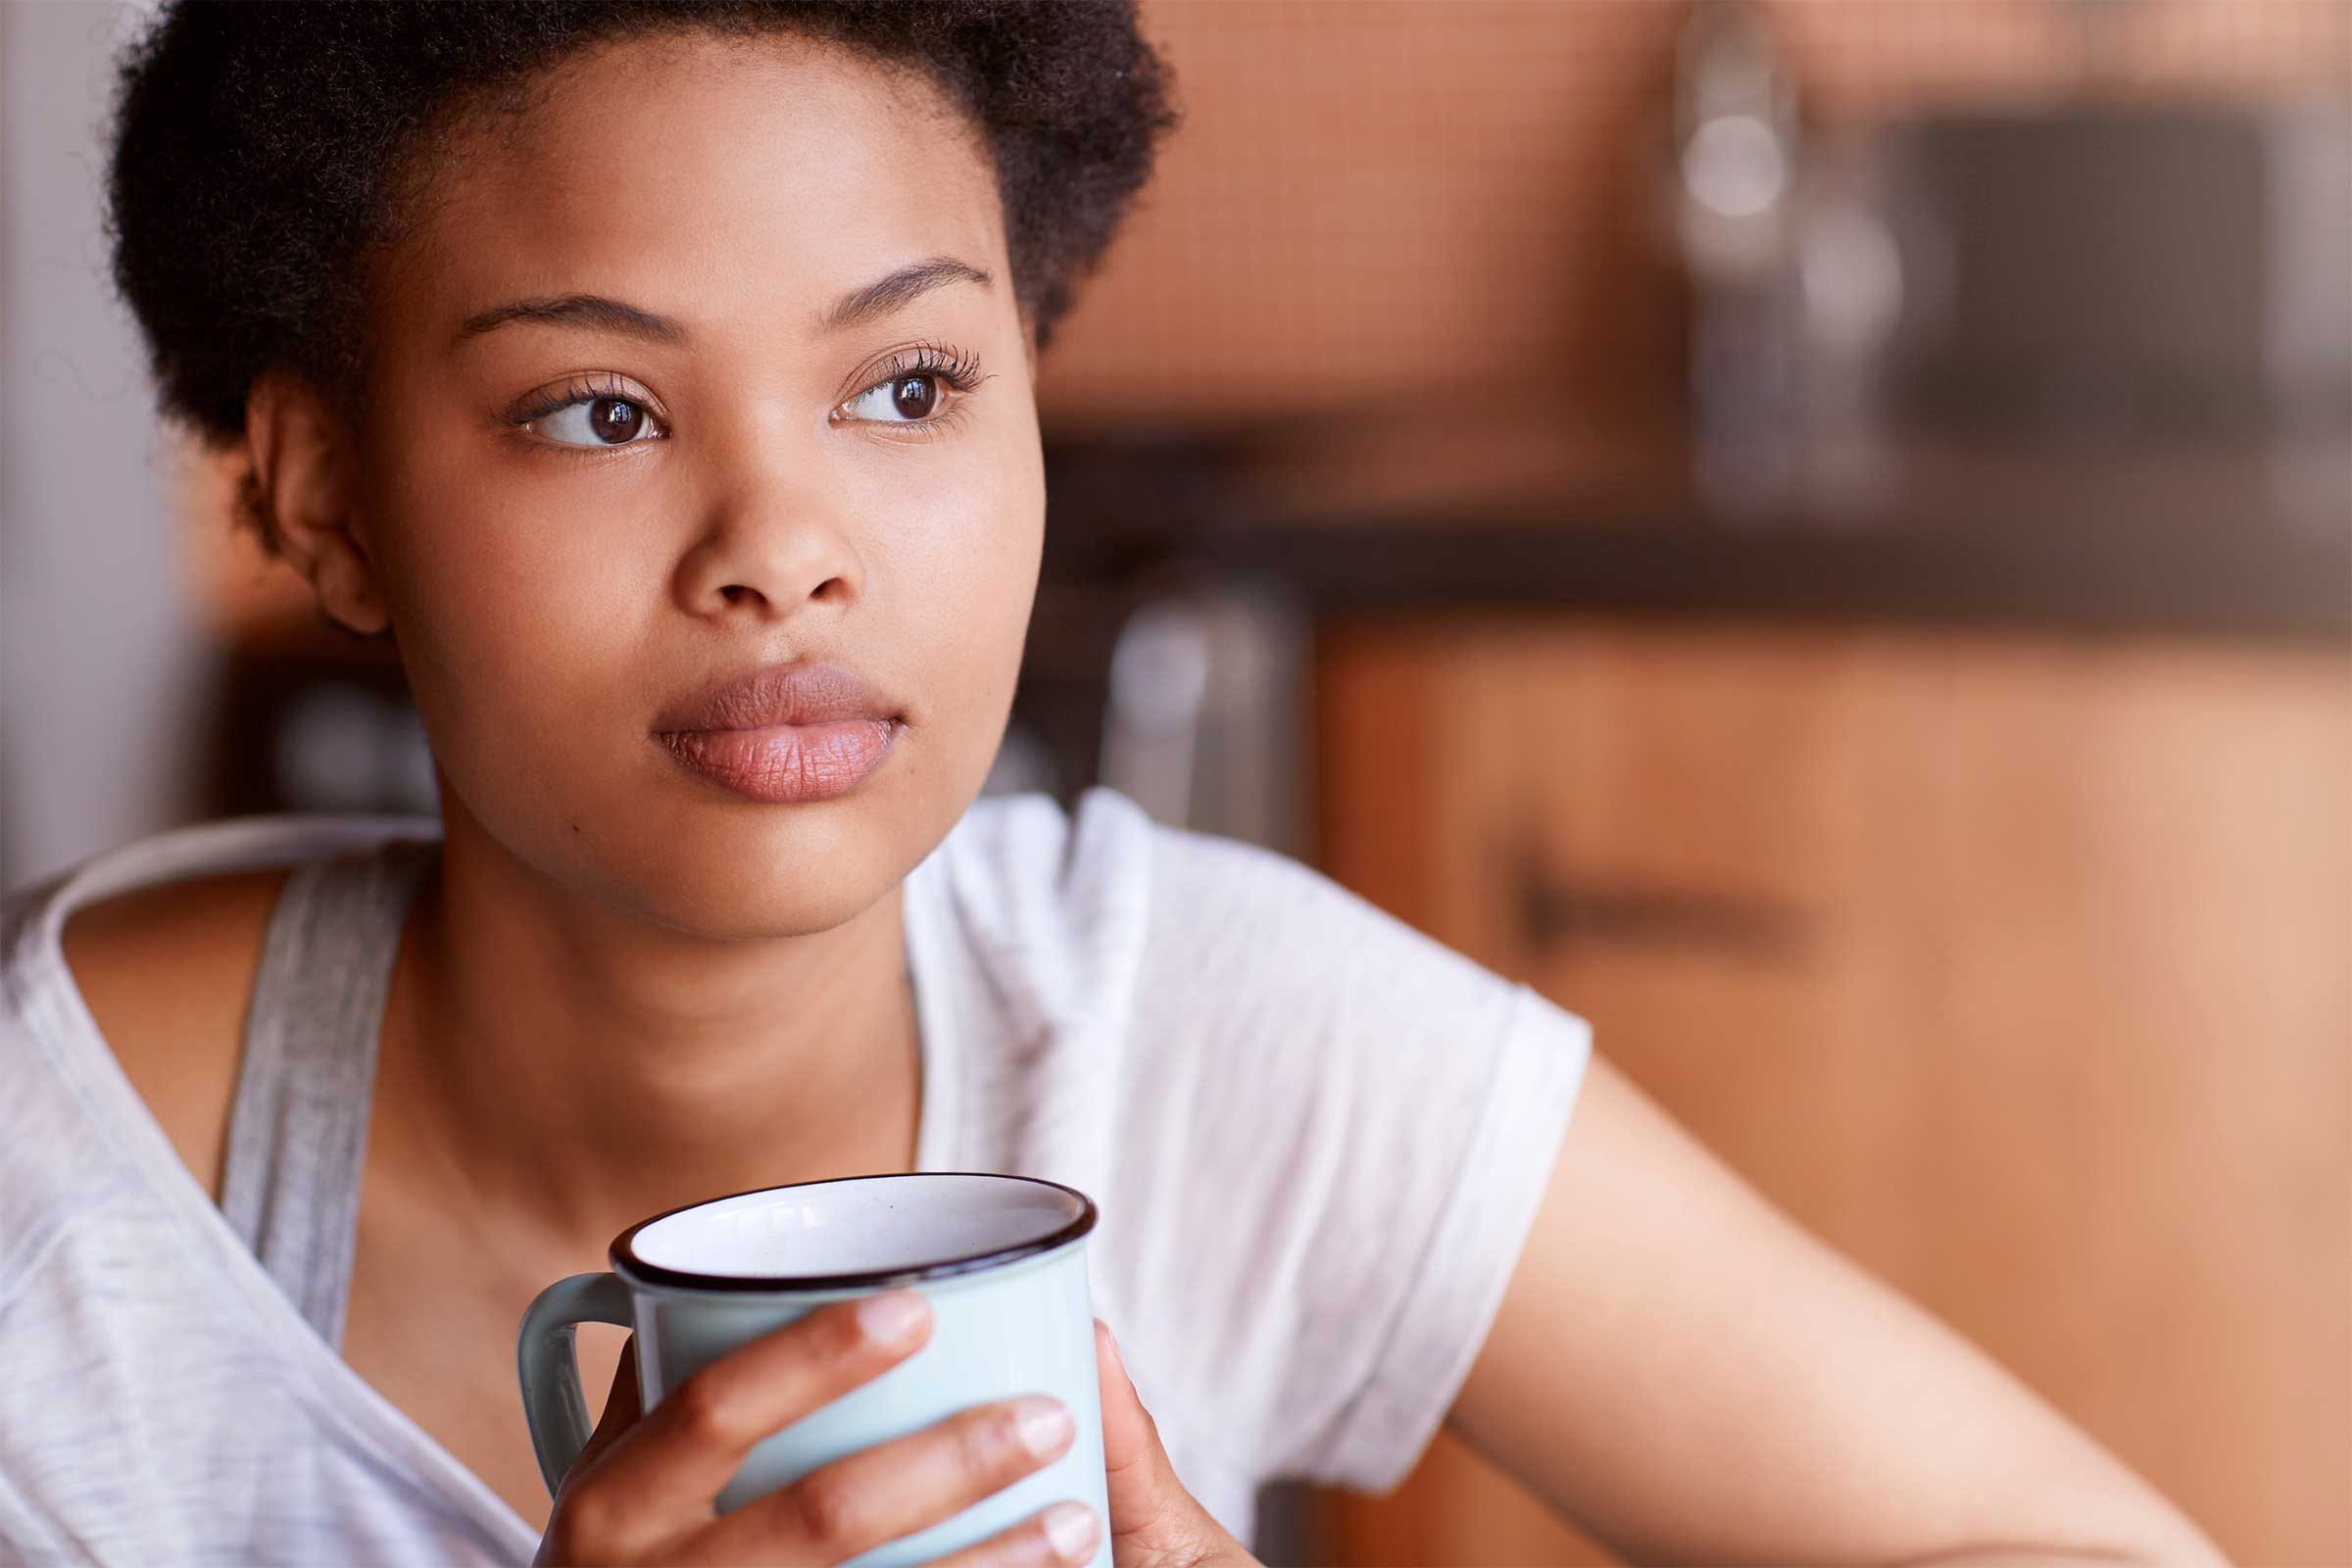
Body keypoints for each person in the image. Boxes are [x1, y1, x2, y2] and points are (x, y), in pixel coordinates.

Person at [0, 3, 2230, 1565]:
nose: (788, 541)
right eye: (601, 409)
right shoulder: (57, 1222)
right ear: (323, 498)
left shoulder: (1205, 1034)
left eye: (907, 379)